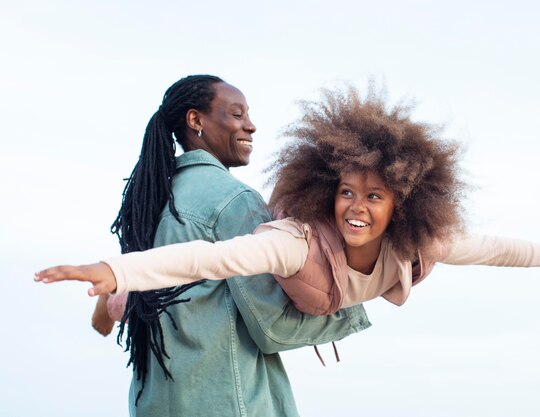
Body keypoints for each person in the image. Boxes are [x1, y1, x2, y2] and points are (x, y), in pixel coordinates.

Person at [36, 84, 540, 338]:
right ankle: (119, 298)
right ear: (328, 190)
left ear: (403, 203)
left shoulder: (421, 243)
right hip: (279, 285)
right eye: (346, 192)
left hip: (318, 308)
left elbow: (500, 249)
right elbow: (214, 258)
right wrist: (116, 270)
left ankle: (122, 291)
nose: (356, 208)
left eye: (374, 196)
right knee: (199, 280)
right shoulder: (296, 241)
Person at [45, 75, 371, 417]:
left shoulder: (150, 201)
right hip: (231, 404)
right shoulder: (233, 202)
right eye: (237, 114)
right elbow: (273, 329)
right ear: (195, 120)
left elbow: (140, 291)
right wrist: (352, 300)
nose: (251, 125)